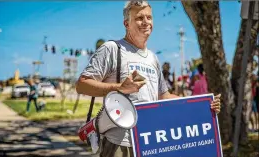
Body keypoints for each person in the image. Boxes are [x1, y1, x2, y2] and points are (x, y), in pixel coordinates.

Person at [75, 1, 221, 157]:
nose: (145, 22)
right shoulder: (112, 49)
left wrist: (202, 105)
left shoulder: (153, 58)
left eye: (149, 17)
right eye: (139, 18)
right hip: (119, 143)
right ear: (126, 23)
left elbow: (163, 97)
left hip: (150, 142)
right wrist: (119, 88)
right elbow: (82, 85)